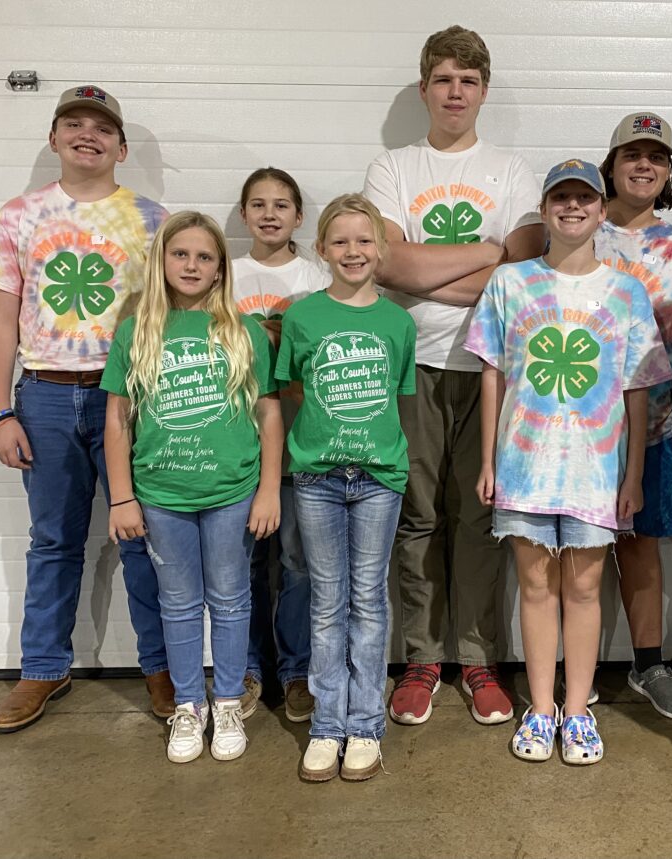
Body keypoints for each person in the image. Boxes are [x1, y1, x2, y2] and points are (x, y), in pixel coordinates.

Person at [0, 85, 172, 733]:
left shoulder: (153, 220)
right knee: (54, 539)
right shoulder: (18, 216)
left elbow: (173, 318)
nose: (88, 134)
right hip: (47, 395)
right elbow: (2, 317)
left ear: (120, 146)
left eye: (102, 127)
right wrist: (0, 412)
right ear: (54, 138)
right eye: (73, 123)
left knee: (144, 537)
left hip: (133, 397)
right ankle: (43, 665)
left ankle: (160, 666)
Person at [363, 24, 545, 727]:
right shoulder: (394, 167)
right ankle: (421, 657)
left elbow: (523, 269)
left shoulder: (512, 169)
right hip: (411, 365)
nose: (455, 92)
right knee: (415, 517)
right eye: (443, 79)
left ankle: (476, 656)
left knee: (477, 515)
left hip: (490, 369)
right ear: (424, 89)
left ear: (484, 91)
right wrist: (484, 253)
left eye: (468, 81)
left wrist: (425, 269)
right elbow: (387, 262)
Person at [468, 159, 671, 764]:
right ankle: (540, 707)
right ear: (545, 210)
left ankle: (578, 710)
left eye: (585, 197)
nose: (574, 207)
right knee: (534, 585)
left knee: (584, 586)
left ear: (601, 211)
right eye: (562, 197)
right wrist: (487, 461)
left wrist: (633, 473)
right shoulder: (510, 283)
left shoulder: (626, 291)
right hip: (525, 464)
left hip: (595, 469)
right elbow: (492, 377)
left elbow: (638, 387)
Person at [102, 211, 282, 763]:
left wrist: (270, 488)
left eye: (205, 257)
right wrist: (121, 496)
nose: (192, 265)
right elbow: (117, 420)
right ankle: (188, 705)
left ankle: (227, 700)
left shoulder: (245, 330)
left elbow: (270, 414)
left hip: (232, 492)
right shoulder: (137, 330)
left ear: (220, 269)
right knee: (178, 604)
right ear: (162, 261)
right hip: (162, 495)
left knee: (231, 601)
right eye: (181, 254)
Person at [279, 194, 416, 783]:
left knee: (369, 600)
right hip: (316, 479)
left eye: (364, 241)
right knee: (326, 601)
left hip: (379, 481)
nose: (353, 251)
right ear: (322, 249)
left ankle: (365, 725)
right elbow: (292, 390)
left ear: (380, 250)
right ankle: (326, 725)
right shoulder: (303, 317)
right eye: (341, 241)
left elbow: (397, 398)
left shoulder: (397, 322)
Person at [594, 112, 672, 719]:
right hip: (570, 430)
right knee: (569, 549)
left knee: (640, 545)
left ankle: (648, 663)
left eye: (656, 158)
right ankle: (567, 668)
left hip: (656, 426)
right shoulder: (576, 234)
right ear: (610, 166)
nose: (643, 165)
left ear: (667, 173)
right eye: (631, 155)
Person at [232, 167, 330, 723]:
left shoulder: (317, 277)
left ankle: (297, 672)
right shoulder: (225, 276)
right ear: (244, 214)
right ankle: (247, 668)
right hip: (232, 446)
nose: (270, 214)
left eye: (282, 205)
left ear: (298, 216)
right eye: (258, 204)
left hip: (298, 443)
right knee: (243, 565)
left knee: (296, 563)